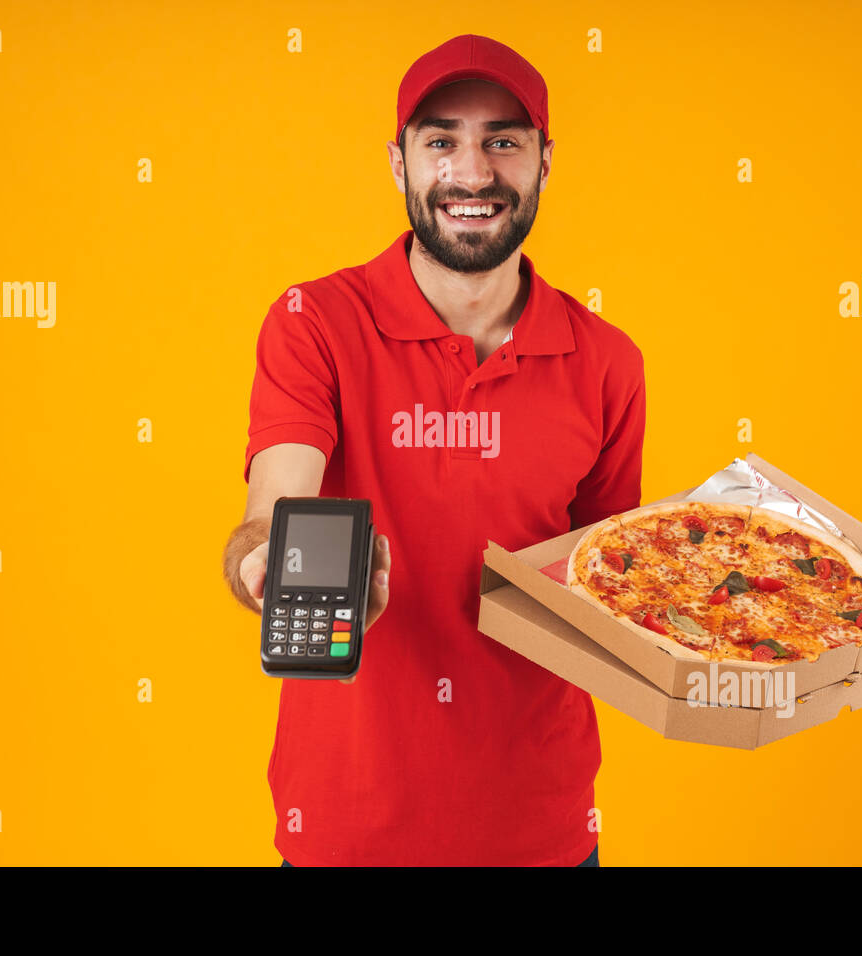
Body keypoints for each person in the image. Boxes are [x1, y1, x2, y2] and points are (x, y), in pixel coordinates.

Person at [224, 34, 646, 866]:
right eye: (442, 140)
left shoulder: (608, 361)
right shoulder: (314, 324)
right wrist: (266, 569)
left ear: (544, 161)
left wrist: (732, 648)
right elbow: (271, 511)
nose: (473, 172)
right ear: (399, 163)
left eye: (503, 142)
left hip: (545, 835)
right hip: (346, 830)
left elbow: (610, 583)